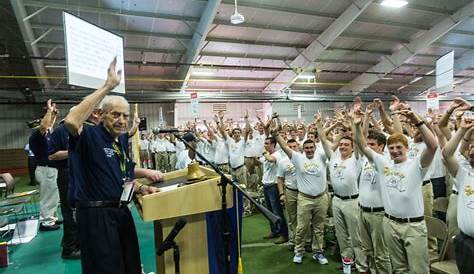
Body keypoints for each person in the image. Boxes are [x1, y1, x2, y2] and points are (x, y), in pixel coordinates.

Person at [64, 58, 164, 274]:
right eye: (115, 114)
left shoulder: (120, 140)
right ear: (101, 115)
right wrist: (108, 86)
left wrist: (140, 187)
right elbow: (71, 121)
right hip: (96, 216)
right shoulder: (89, 134)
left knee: (130, 265)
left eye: (125, 116)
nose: (121, 120)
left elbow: (123, 174)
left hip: (120, 212)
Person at [354, 106, 437, 274]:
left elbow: (433, 145)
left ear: (407, 148)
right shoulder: (384, 164)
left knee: (419, 270)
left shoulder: (416, 165)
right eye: (391, 148)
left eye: (399, 147)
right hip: (390, 223)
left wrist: (416, 119)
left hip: (412, 226)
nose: (395, 151)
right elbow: (363, 146)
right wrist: (357, 125)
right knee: (399, 268)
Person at [272, 114, 329, 265]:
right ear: (302, 149)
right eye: (307, 148)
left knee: (318, 228)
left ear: (315, 148)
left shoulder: (322, 157)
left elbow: (325, 140)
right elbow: (284, 146)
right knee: (302, 227)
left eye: (311, 147)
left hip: (321, 198)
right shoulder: (298, 158)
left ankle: (318, 252)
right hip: (304, 198)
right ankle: (299, 251)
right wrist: (275, 134)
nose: (309, 150)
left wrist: (319, 124)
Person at [442, 115, 474, 274]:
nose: (473, 150)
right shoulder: (465, 175)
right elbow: (447, 154)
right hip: (466, 242)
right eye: (472, 147)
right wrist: (462, 129)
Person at [48, 118, 81, 259]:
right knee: (70, 212)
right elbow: (51, 155)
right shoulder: (60, 131)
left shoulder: (80, 129)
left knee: (78, 212)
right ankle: (69, 249)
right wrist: (73, 151)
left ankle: (77, 244)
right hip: (66, 174)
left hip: (77, 173)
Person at [28, 99, 60, 231]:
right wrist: (49, 111)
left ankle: (52, 217)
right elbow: (45, 126)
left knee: (54, 196)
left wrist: (54, 115)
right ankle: (47, 222)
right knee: (48, 197)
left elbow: (49, 125)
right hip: (46, 170)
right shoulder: (37, 135)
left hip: (49, 170)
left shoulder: (46, 135)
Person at [259, 136, 288, 244]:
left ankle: (284, 234)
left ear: (273, 144)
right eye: (265, 143)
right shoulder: (267, 155)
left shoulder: (277, 154)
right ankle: (274, 231)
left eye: (267, 143)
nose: (265, 145)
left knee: (277, 211)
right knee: (269, 211)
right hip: (266, 184)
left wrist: (263, 153)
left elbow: (271, 159)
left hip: (273, 186)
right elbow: (263, 162)